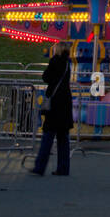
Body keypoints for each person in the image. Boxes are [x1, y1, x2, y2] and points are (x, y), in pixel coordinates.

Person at [30, 41, 72, 176]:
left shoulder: (54, 61)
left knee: (48, 135)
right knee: (63, 137)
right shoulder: (67, 63)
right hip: (65, 102)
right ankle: (63, 167)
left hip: (55, 103)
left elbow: (46, 77)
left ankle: (40, 166)